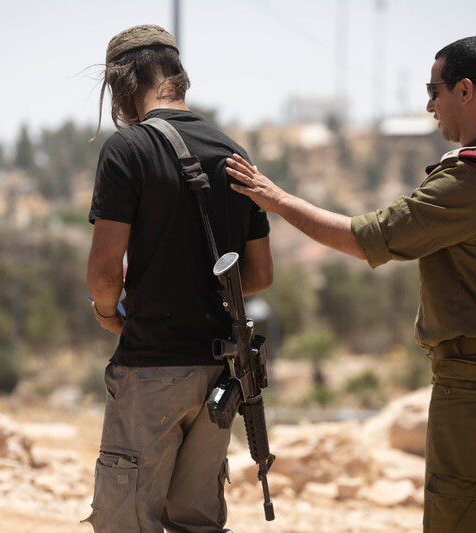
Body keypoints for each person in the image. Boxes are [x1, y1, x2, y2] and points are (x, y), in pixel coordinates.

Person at [225, 36, 476, 533]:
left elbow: (367, 239)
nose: (429, 105)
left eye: (435, 90)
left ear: (465, 90)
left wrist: (276, 199)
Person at [83, 24, 273, 533]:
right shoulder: (235, 153)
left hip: (151, 369)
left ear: (124, 81)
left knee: (127, 522)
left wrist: (108, 313)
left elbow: (103, 274)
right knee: (197, 522)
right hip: (219, 376)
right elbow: (259, 273)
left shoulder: (128, 150)